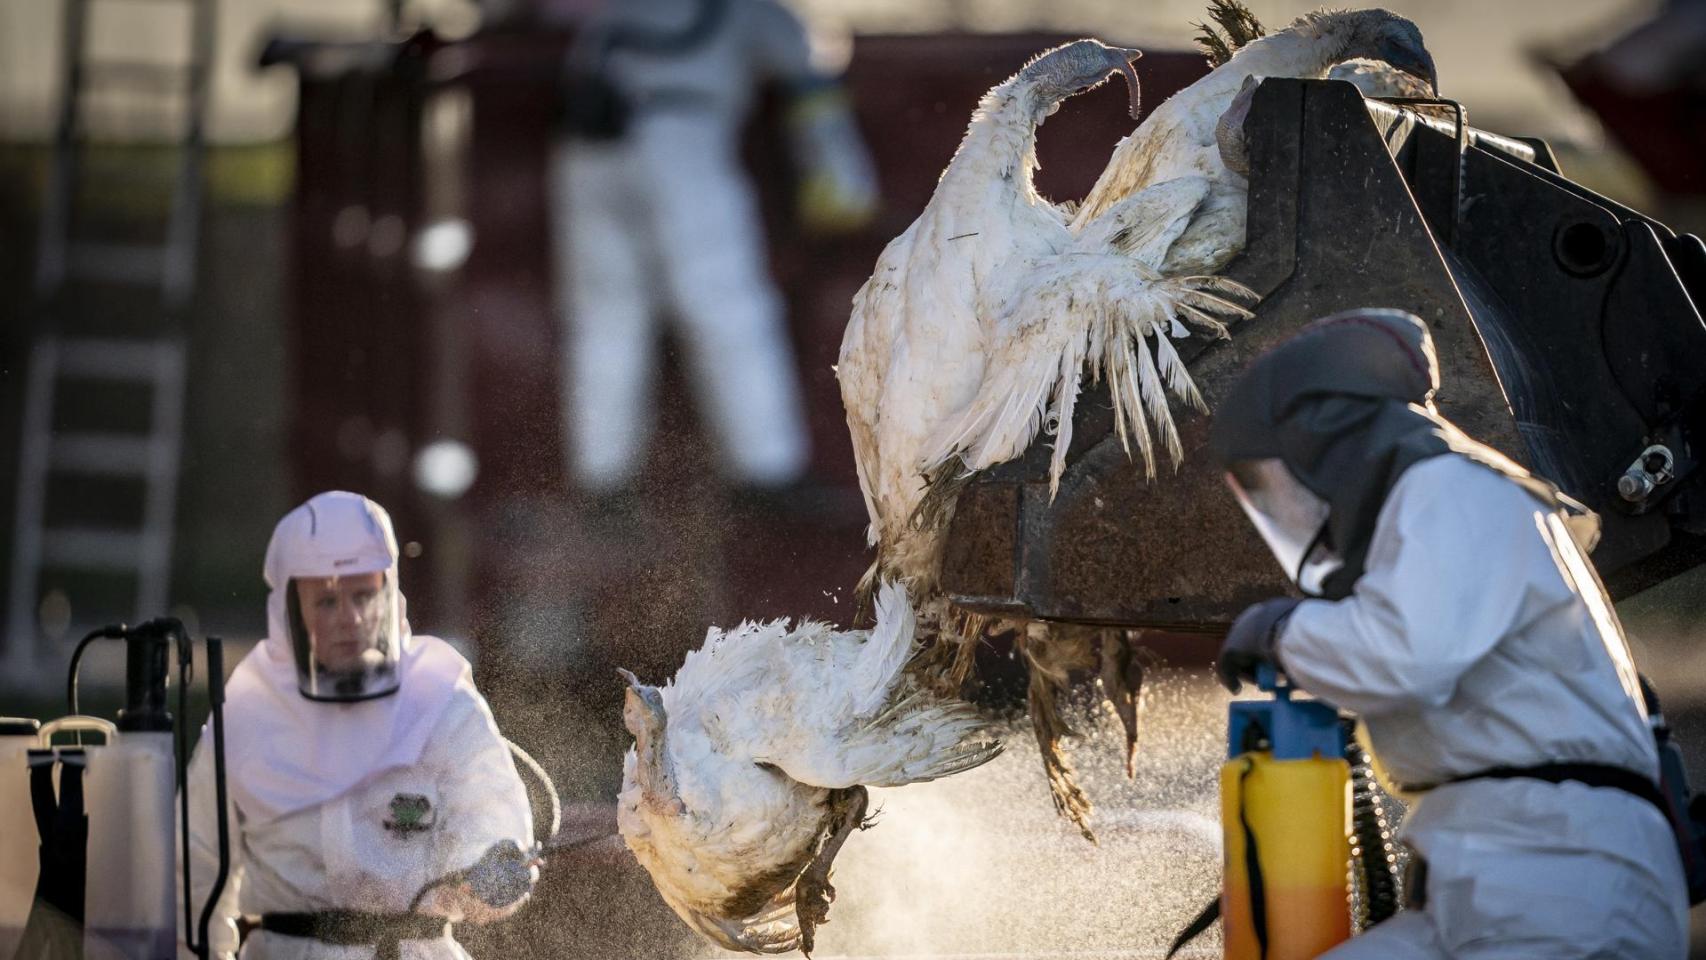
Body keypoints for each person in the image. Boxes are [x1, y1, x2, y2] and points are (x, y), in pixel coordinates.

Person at [1207, 309, 1689, 958]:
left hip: (1559, 887)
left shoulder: (1449, 489)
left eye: (1284, 486)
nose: (1290, 517)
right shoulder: (1437, 505)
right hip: (1513, 879)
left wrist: (1287, 633)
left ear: (1334, 445)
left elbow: (1405, 656)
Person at [178, 491, 536, 960]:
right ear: (289, 608)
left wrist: (489, 873)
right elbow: (194, 881)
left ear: (389, 593)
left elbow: (491, 817)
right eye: (326, 601)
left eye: (363, 595)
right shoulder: (246, 721)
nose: (349, 618)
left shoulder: (443, 702)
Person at [550, 0, 878, 494]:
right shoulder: (754, 10)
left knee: (606, 315)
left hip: (588, 153)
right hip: (682, 145)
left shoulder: (614, 11)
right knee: (727, 308)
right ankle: (768, 472)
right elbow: (813, 76)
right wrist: (844, 181)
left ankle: (600, 486)